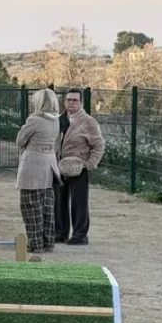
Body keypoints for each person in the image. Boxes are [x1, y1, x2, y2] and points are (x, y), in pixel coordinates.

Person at [55, 89, 105, 246]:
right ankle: (60, 233)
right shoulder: (59, 120)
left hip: (79, 168)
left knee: (79, 203)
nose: (71, 102)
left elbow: (99, 144)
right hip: (59, 166)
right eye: (68, 99)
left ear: (81, 102)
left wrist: (89, 164)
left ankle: (80, 235)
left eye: (75, 100)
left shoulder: (89, 122)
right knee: (59, 201)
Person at [15, 88, 62, 254]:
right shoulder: (56, 120)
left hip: (33, 165)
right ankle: (48, 241)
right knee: (46, 206)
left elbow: (20, 140)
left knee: (31, 205)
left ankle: (35, 243)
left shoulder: (34, 120)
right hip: (49, 164)